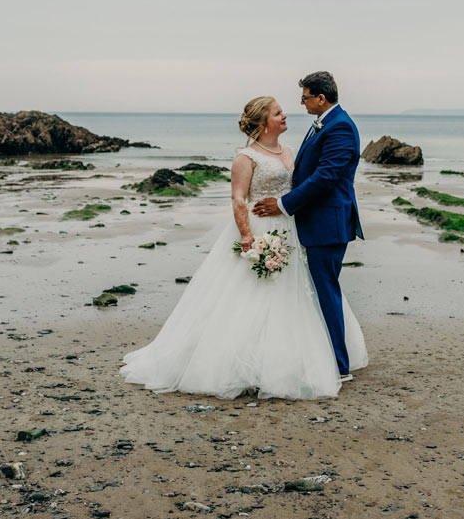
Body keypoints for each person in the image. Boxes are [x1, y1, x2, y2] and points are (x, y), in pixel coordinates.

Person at [120, 95, 366, 399]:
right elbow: (238, 199)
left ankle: (298, 355)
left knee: (296, 294)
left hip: (290, 229)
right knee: (253, 294)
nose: (285, 115)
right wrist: (247, 235)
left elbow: (309, 182)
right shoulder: (246, 157)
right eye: (278, 113)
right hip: (260, 227)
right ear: (264, 123)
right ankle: (246, 363)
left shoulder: (290, 150)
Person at [253, 71, 364, 380]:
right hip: (316, 222)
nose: (301, 103)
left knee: (325, 291)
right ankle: (328, 357)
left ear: (320, 98)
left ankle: (339, 367)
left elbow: (326, 178)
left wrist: (284, 203)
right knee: (318, 291)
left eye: (304, 97)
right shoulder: (325, 123)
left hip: (327, 224)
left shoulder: (339, 127)